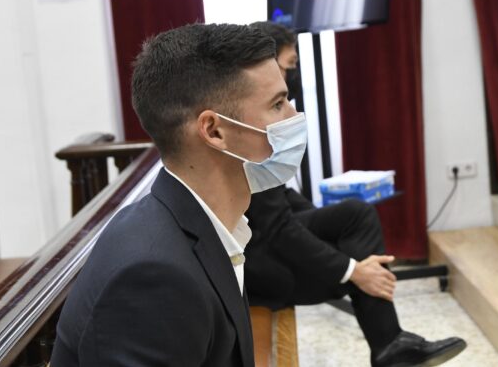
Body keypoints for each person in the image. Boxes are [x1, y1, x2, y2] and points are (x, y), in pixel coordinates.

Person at [51, 23, 308, 366]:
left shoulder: (204, 222)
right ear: (214, 131)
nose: (294, 116)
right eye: (278, 105)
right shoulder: (154, 276)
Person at [245, 21, 467, 367]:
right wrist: (352, 269)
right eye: (290, 68)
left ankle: (388, 344)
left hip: (264, 245)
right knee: (356, 232)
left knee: (352, 220)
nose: (294, 82)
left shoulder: (255, 124)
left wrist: (333, 241)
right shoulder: (247, 131)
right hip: (257, 270)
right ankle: (387, 344)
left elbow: (281, 199)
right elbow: (275, 228)